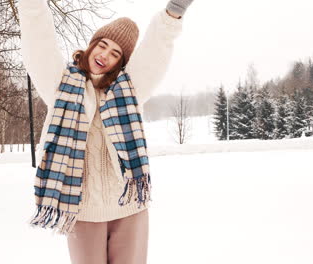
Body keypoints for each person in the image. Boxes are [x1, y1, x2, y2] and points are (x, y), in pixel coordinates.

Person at [19, 0, 195, 263]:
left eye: (115, 54)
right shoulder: (60, 86)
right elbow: (38, 41)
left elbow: (154, 53)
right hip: (83, 211)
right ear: (92, 45)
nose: (105, 55)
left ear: (121, 63)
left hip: (129, 210)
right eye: (102, 46)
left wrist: (173, 13)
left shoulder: (129, 90)